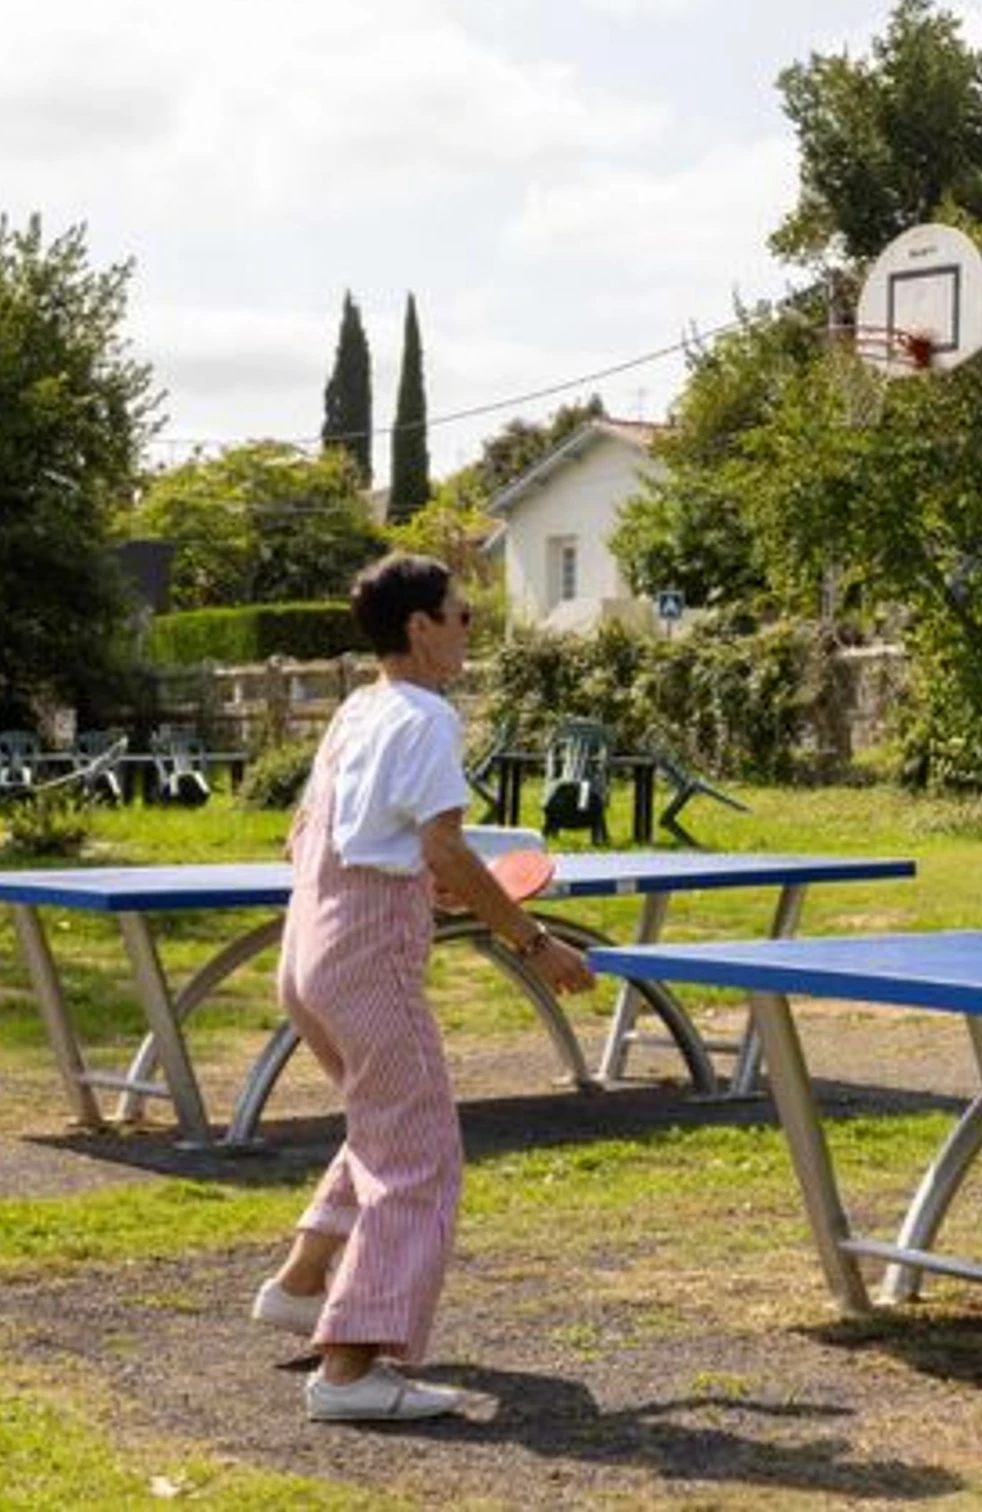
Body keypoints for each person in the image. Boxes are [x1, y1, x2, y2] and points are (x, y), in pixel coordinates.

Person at [249, 554, 595, 1421]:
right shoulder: (430, 717)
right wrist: (535, 943)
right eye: (461, 614)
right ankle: (351, 1370)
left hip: (307, 952)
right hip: (367, 959)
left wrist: (420, 876)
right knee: (420, 1153)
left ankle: (300, 1285)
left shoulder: (356, 711)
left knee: (386, 1122)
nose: (470, 627)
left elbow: (314, 837)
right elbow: (443, 846)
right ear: (420, 627)